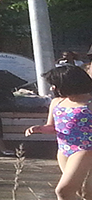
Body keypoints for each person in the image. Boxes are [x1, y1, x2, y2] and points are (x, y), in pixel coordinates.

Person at [25, 66, 92, 200]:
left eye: (55, 85)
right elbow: (53, 127)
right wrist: (40, 129)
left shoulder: (89, 103)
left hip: (85, 149)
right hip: (64, 150)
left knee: (63, 191)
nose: (52, 88)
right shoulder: (57, 102)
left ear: (69, 84)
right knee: (83, 192)